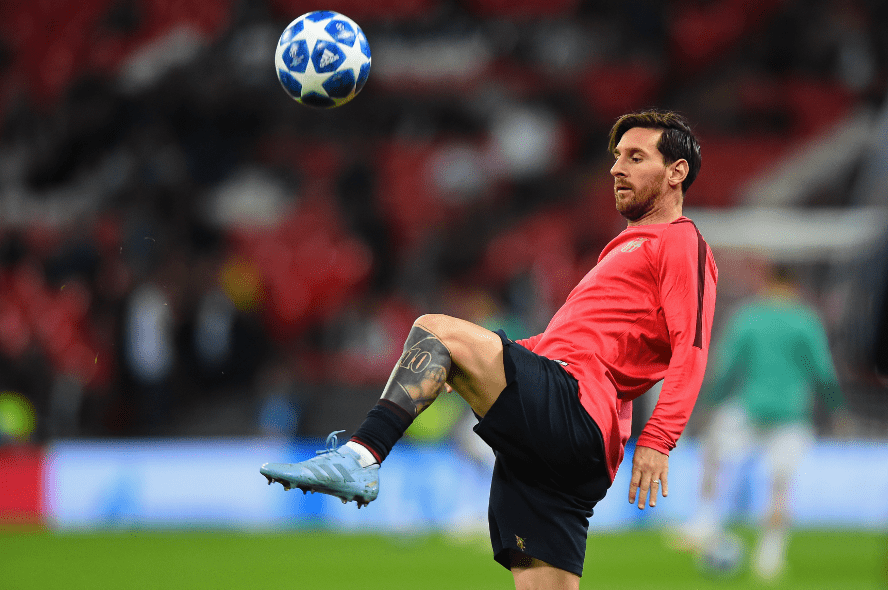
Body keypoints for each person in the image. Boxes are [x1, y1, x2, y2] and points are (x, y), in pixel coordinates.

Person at [261, 109, 719, 589]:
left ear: (676, 172)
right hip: (564, 437)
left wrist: (659, 439)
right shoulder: (625, 247)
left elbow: (692, 345)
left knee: (435, 329)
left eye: (636, 156)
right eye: (616, 157)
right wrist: (463, 370)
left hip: (576, 407)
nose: (616, 168)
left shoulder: (680, 240)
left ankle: (361, 457)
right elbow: (561, 341)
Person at [678, 261, 847, 581]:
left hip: (749, 408)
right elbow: (824, 371)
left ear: (767, 282)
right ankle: (770, 556)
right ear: (795, 285)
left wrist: (712, 403)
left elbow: (727, 367)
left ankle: (705, 520)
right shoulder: (805, 320)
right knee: (780, 485)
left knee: (712, 452)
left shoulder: (749, 317)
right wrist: (836, 409)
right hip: (791, 414)